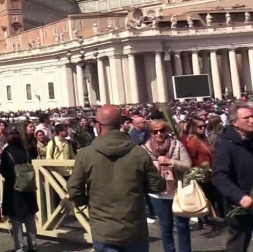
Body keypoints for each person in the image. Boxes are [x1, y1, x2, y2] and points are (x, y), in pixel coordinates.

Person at [67, 105, 165, 252]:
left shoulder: (85, 155)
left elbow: (74, 189)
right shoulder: (139, 152)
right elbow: (157, 186)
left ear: (98, 127)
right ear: (121, 124)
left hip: (103, 228)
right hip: (134, 227)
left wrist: (86, 202)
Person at [142, 119, 192, 252]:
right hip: (157, 193)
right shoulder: (144, 148)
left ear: (167, 131)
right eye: (155, 131)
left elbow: (188, 166)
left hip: (177, 190)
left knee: (182, 226)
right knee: (166, 227)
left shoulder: (177, 145)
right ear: (151, 133)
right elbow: (143, 171)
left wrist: (171, 162)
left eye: (162, 130)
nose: (159, 134)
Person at [213, 103, 253, 251]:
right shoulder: (225, 145)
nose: (252, 120)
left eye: (252, 116)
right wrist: (239, 197)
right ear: (235, 122)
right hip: (240, 206)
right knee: (238, 244)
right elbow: (219, 176)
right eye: (247, 118)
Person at [1, 130, 38, 252]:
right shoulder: (27, 151)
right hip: (29, 188)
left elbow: (4, 172)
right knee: (30, 217)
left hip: (13, 189)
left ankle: (19, 247)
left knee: (16, 219)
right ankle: (33, 244)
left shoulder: (7, 153)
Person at [184, 117, 218, 230]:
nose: (203, 128)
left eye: (204, 126)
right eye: (200, 126)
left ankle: (208, 219)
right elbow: (190, 158)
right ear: (193, 128)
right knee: (204, 198)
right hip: (201, 174)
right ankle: (204, 221)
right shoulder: (193, 141)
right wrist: (198, 169)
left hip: (210, 173)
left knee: (210, 198)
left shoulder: (203, 139)